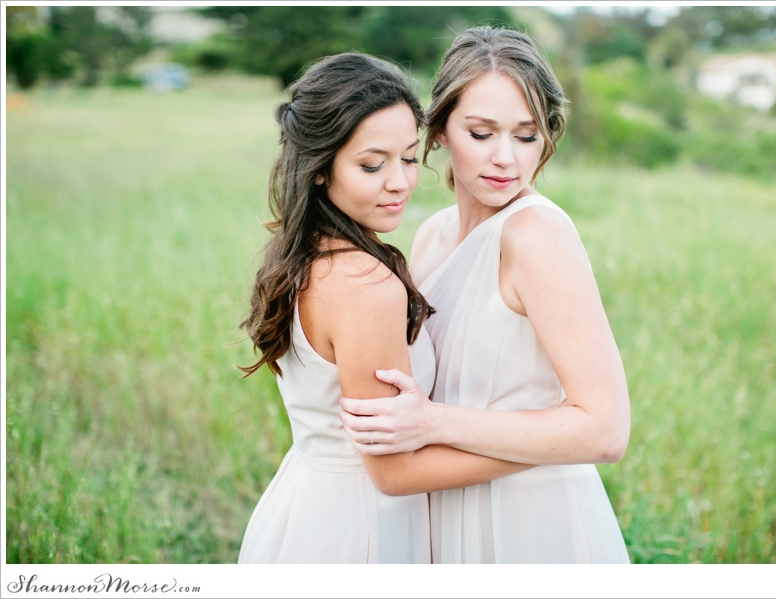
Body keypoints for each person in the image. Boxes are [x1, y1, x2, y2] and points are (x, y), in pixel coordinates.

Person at [339, 27, 632, 563]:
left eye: (527, 135)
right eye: (481, 133)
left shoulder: (536, 236)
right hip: (447, 506)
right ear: (442, 129)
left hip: (532, 522)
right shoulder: (431, 234)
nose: (506, 159)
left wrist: (434, 422)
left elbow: (606, 428)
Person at [236, 52, 533, 564]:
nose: (400, 182)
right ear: (321, 170)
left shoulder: (308, 255)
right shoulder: (366, 284)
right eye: (373, 165)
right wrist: (538, 451)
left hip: (304, 504)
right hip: (357, 530)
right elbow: (394, 472)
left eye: (409, 157)